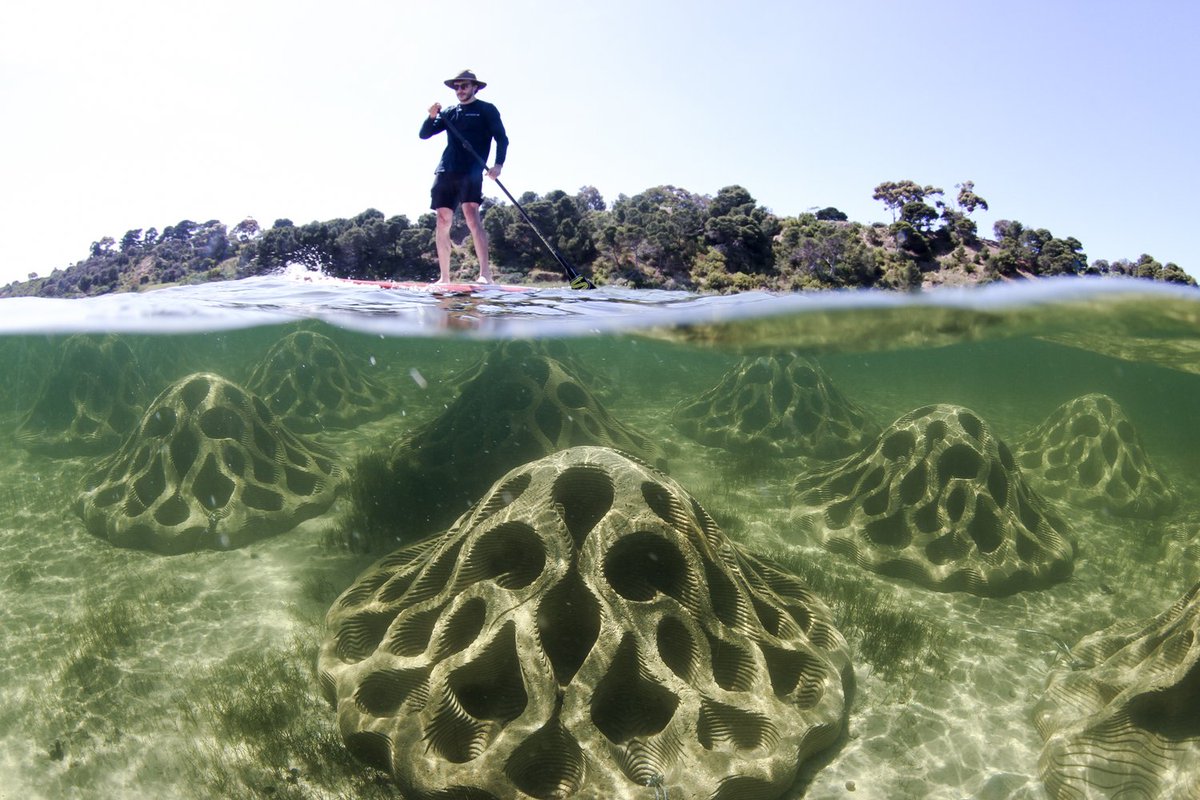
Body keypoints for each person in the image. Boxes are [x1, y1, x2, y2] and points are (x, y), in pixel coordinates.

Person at [419, 69, 508, 284]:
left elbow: (502, 139)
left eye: (464, 86)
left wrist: (498, 165)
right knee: (442, 219)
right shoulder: (449, 112)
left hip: (472, 171)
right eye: (456, 87)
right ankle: (444, 277)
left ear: (474, 87)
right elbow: (424, 134)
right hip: (446, 169)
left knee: (471, 216)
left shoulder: (486, 109)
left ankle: (485, 274)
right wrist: (431, 116)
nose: (460, 90)